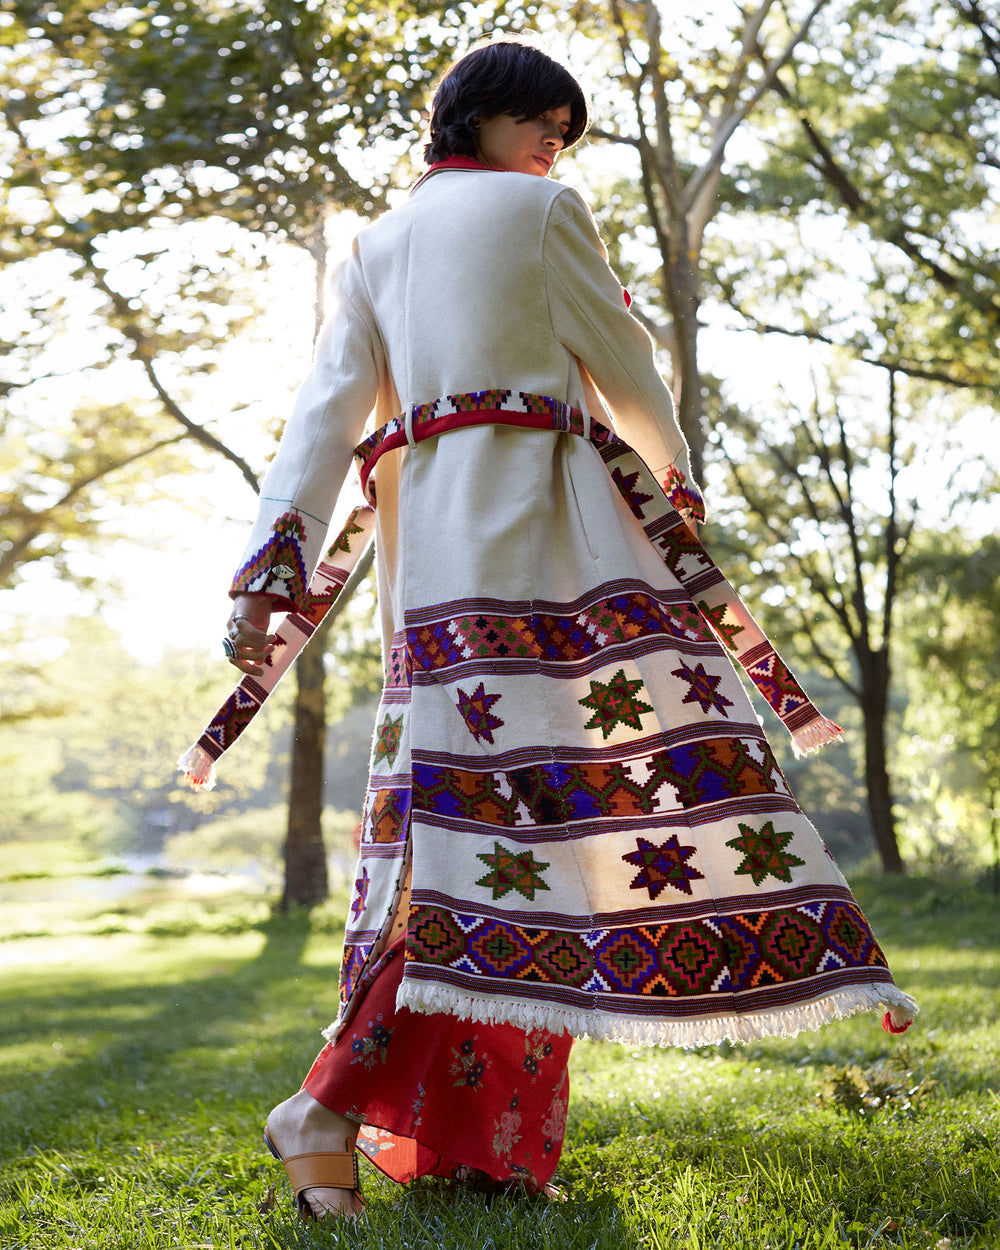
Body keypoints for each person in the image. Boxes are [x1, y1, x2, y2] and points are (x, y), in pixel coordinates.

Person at [216, 41, 916, 1220]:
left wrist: (271, 558)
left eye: (568, 128)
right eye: (543, 116)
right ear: (479, 115)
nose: (555, 140)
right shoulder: (545, 211)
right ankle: (328, 1105)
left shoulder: (374, 244)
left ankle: (478, 1146)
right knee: (542, 831)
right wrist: (673, 483)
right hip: (551, 549)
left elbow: (326, 408)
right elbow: (627, 360)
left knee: (479, 834)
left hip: (430, 565)